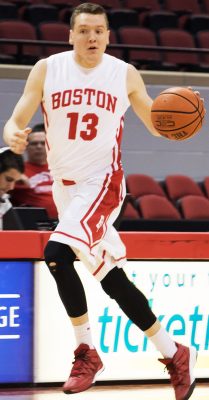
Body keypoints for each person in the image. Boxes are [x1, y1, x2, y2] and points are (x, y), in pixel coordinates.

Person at [3, 3, 202, 399]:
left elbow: (156, 124)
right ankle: (174, 352)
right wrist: (12, 132)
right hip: (66, 188)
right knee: (112, 280)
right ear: (70, 35)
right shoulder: (47, 68)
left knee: (58, 253)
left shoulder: (123, 73)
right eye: (84, 30)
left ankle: (86, 351)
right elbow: (18, 116)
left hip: (103, 183)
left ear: (109, 35)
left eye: (99, 30)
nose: (92, 37)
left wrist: (181, 118)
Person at [10, 123, 58, 220]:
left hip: (65, 224)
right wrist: (14, 178)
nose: (39, 147)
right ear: (26, 146)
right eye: (34, 143)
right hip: (33, 224)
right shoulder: (17, 170)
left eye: (43, 143)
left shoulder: (61, 168)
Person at [0, 147, 24, 230]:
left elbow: (18, 239)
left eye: (15, 182)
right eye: (8, 179)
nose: (11, 187)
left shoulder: (5, 203)